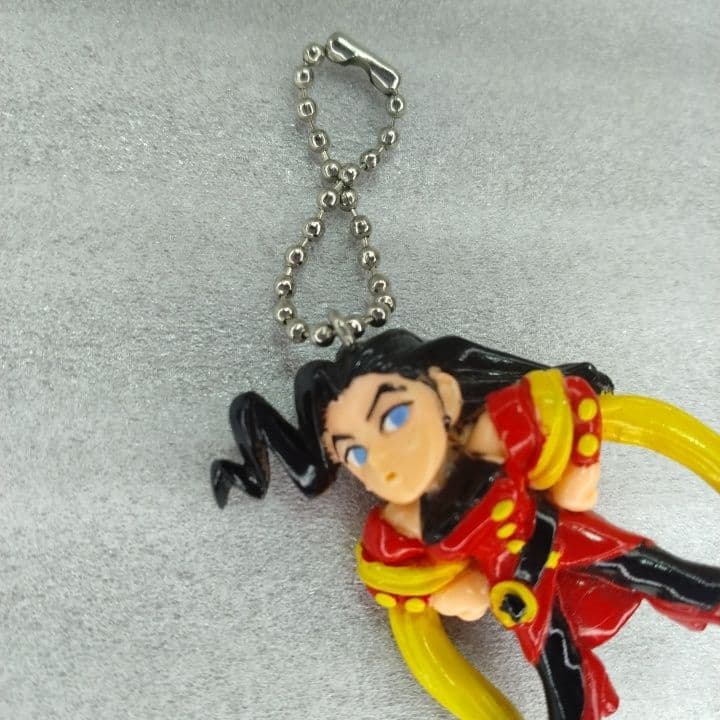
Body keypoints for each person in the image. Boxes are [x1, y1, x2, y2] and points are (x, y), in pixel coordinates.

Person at [211, 329, 720, 720]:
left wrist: (579, 466)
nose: (385, 460)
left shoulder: (495, 430)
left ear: (445, 395)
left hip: (569, 537)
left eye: (393, 418)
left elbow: (570, 414)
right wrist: (455, 591)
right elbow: (430, 593)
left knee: (670, 575)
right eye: (356, 453)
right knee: (562, 675)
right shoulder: (402, 526)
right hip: (518, 589)